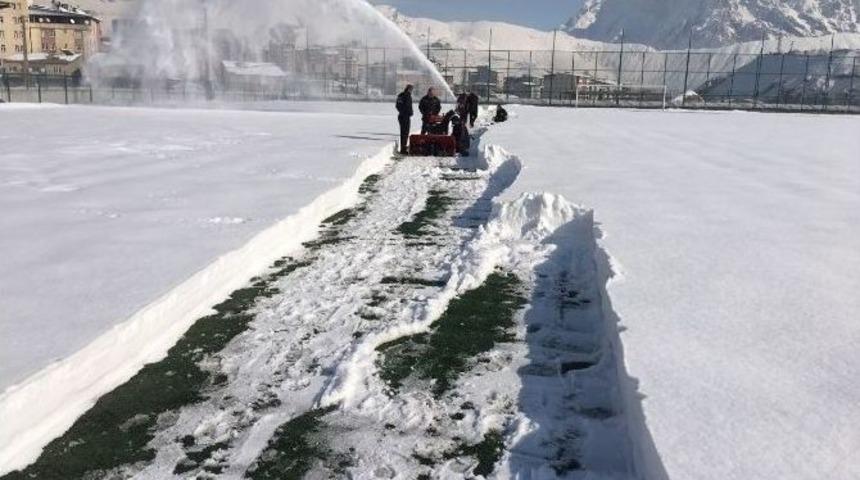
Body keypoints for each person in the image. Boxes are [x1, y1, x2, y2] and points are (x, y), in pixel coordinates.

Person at [395, 84, 414, 154]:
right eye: (411, 89)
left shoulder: (409, 95)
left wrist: (410, 112)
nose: (411, 90)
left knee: (406, 133)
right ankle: (403, 149)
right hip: (403, 117)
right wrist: (404, 112)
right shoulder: (402, 95)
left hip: (407, 116)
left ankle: (404, 147)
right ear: (408, 88)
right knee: (403, 133)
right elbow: (398, 105)